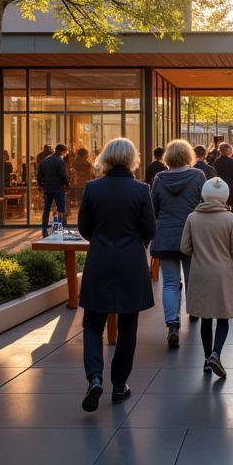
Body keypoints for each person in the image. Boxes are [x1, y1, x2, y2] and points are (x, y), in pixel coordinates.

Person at [77, 138, 156, 412]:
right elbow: (150, 229)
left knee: (92, 323)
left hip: (99, 260)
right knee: (128, 325)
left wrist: (101, 240)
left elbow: (84, 227)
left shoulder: (92, 188)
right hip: (131, 261)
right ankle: (119, 385)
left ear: (106, 158)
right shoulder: (140, 190)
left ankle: (95, 377)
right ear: (132, 158)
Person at [180, 177, 233, 378]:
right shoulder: (229, 219)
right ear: (224, 197)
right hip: (223, 274)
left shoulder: (193, 217)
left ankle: (205, 359)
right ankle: (216, 354)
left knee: (205, 318)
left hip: (200, 272)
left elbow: (184, 247)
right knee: (223, 317)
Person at [150, 139, 206, 349]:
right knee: (192, 277)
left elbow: (153, 208)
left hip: (166, 236)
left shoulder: (159, 178)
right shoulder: (198, 176)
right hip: (192, 235)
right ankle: (193, 311)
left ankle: (173, 324)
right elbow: (204, 203)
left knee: (171, 282)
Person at [37, 143, 70, 236]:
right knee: (61, 209)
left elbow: (39, 174)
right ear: (62, 151)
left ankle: (44, 230)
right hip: (59, 188)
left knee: (46, 209)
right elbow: (63, 175)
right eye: (65, 152)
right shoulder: (60, 161)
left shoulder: (45, 160)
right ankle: (60, 229)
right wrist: (67, 184)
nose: (66, 154)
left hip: (47, 188)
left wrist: (40, 185)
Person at [213, 142, 233, 223]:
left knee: (220, 208)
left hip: (220, 189)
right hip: (232, 189)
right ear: (228, 150)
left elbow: (214, 177)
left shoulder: (216, 162)